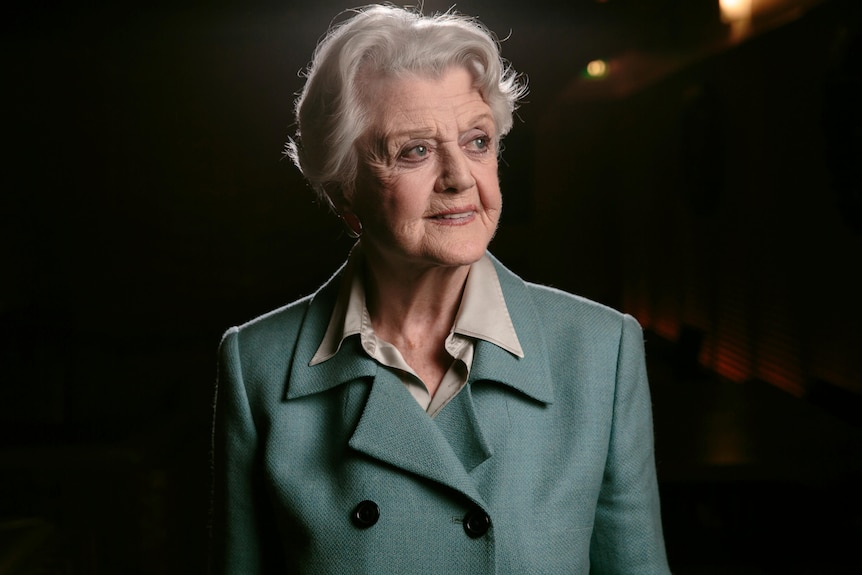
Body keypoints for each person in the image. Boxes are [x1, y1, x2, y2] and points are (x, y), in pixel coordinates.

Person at [211, 4, 671, 574]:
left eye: (477, 141)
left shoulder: (601, 350)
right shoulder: (257, 365)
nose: (460, 177)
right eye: (416, 151)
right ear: (344, 190)